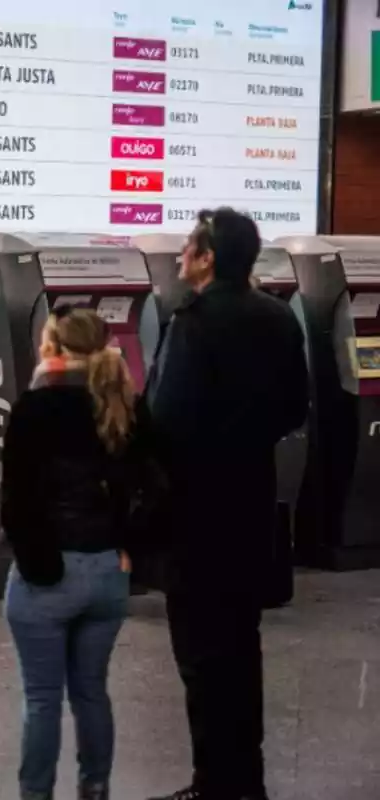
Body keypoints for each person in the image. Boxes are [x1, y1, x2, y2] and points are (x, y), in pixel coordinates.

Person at [144, 208, 308, 800]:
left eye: (189, 245)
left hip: (195, 513)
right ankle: (247, 782)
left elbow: (166, 417)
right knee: (242, 649)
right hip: (251, 505)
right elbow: (295, 407)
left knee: (201, 658)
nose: (182, 253)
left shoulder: (192, 324)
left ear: (208, 257)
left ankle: (213, 784)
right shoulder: (277, 318)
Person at [2, 306, 143, 800]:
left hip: (49, 574)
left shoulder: (35, 409)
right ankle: (95, 788)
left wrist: (36, 562)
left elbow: (15, 500)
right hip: (108, 573)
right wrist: (129, 549)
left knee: (42, 698)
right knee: (91, 692)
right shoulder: (125, 403)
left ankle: (36, 794)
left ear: (53, 348)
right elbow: (153, 487)